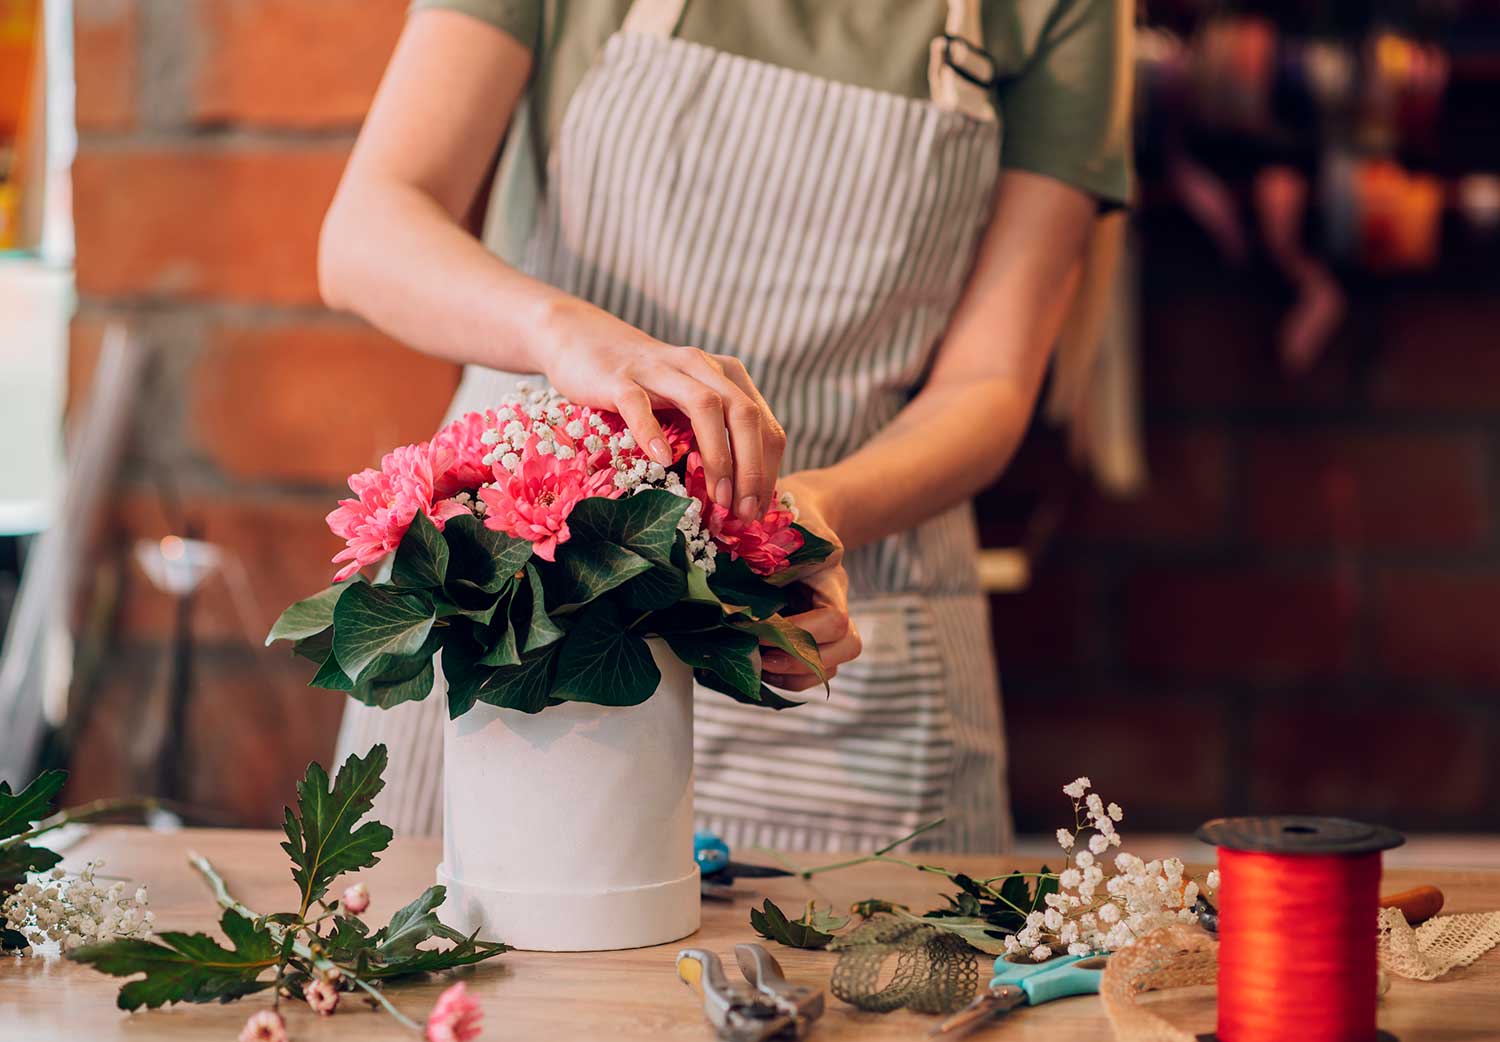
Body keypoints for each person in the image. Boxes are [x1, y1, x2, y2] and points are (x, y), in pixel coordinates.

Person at [321, 0, 1132, 852]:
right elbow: (368, 231)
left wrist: (806, 522)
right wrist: (559, 332)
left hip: (820, 625)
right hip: (516, 601)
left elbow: (990, 382)